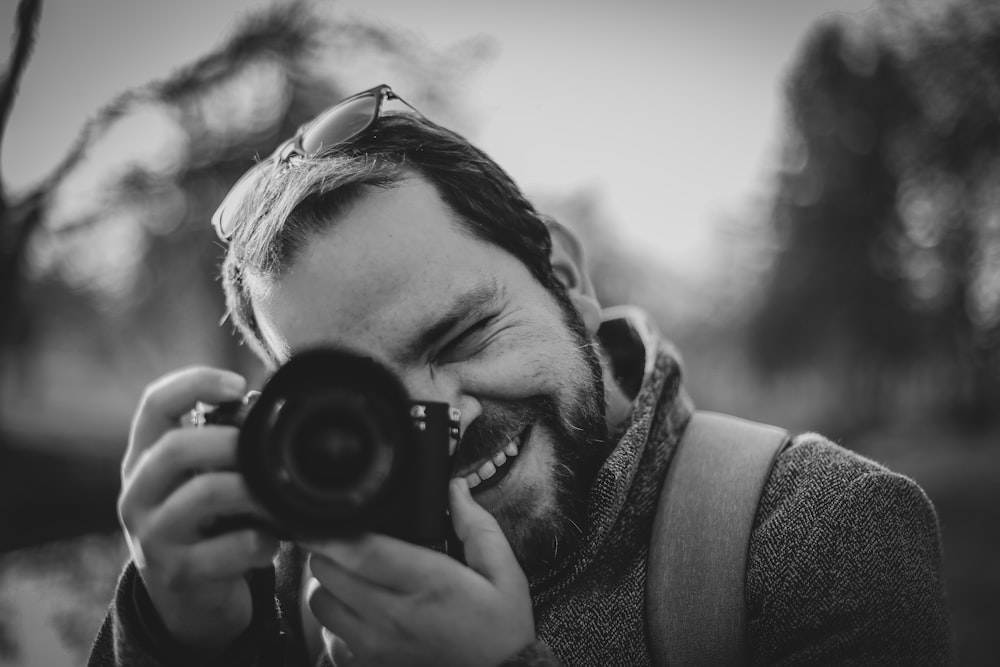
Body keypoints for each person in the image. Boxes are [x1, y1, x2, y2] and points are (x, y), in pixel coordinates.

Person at [89, 84, 953, 666]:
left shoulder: (821, 536)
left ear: (566, 280)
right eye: (359, 398)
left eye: (461, 332)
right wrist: (179, 639)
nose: (438, 414)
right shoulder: (288, 579)